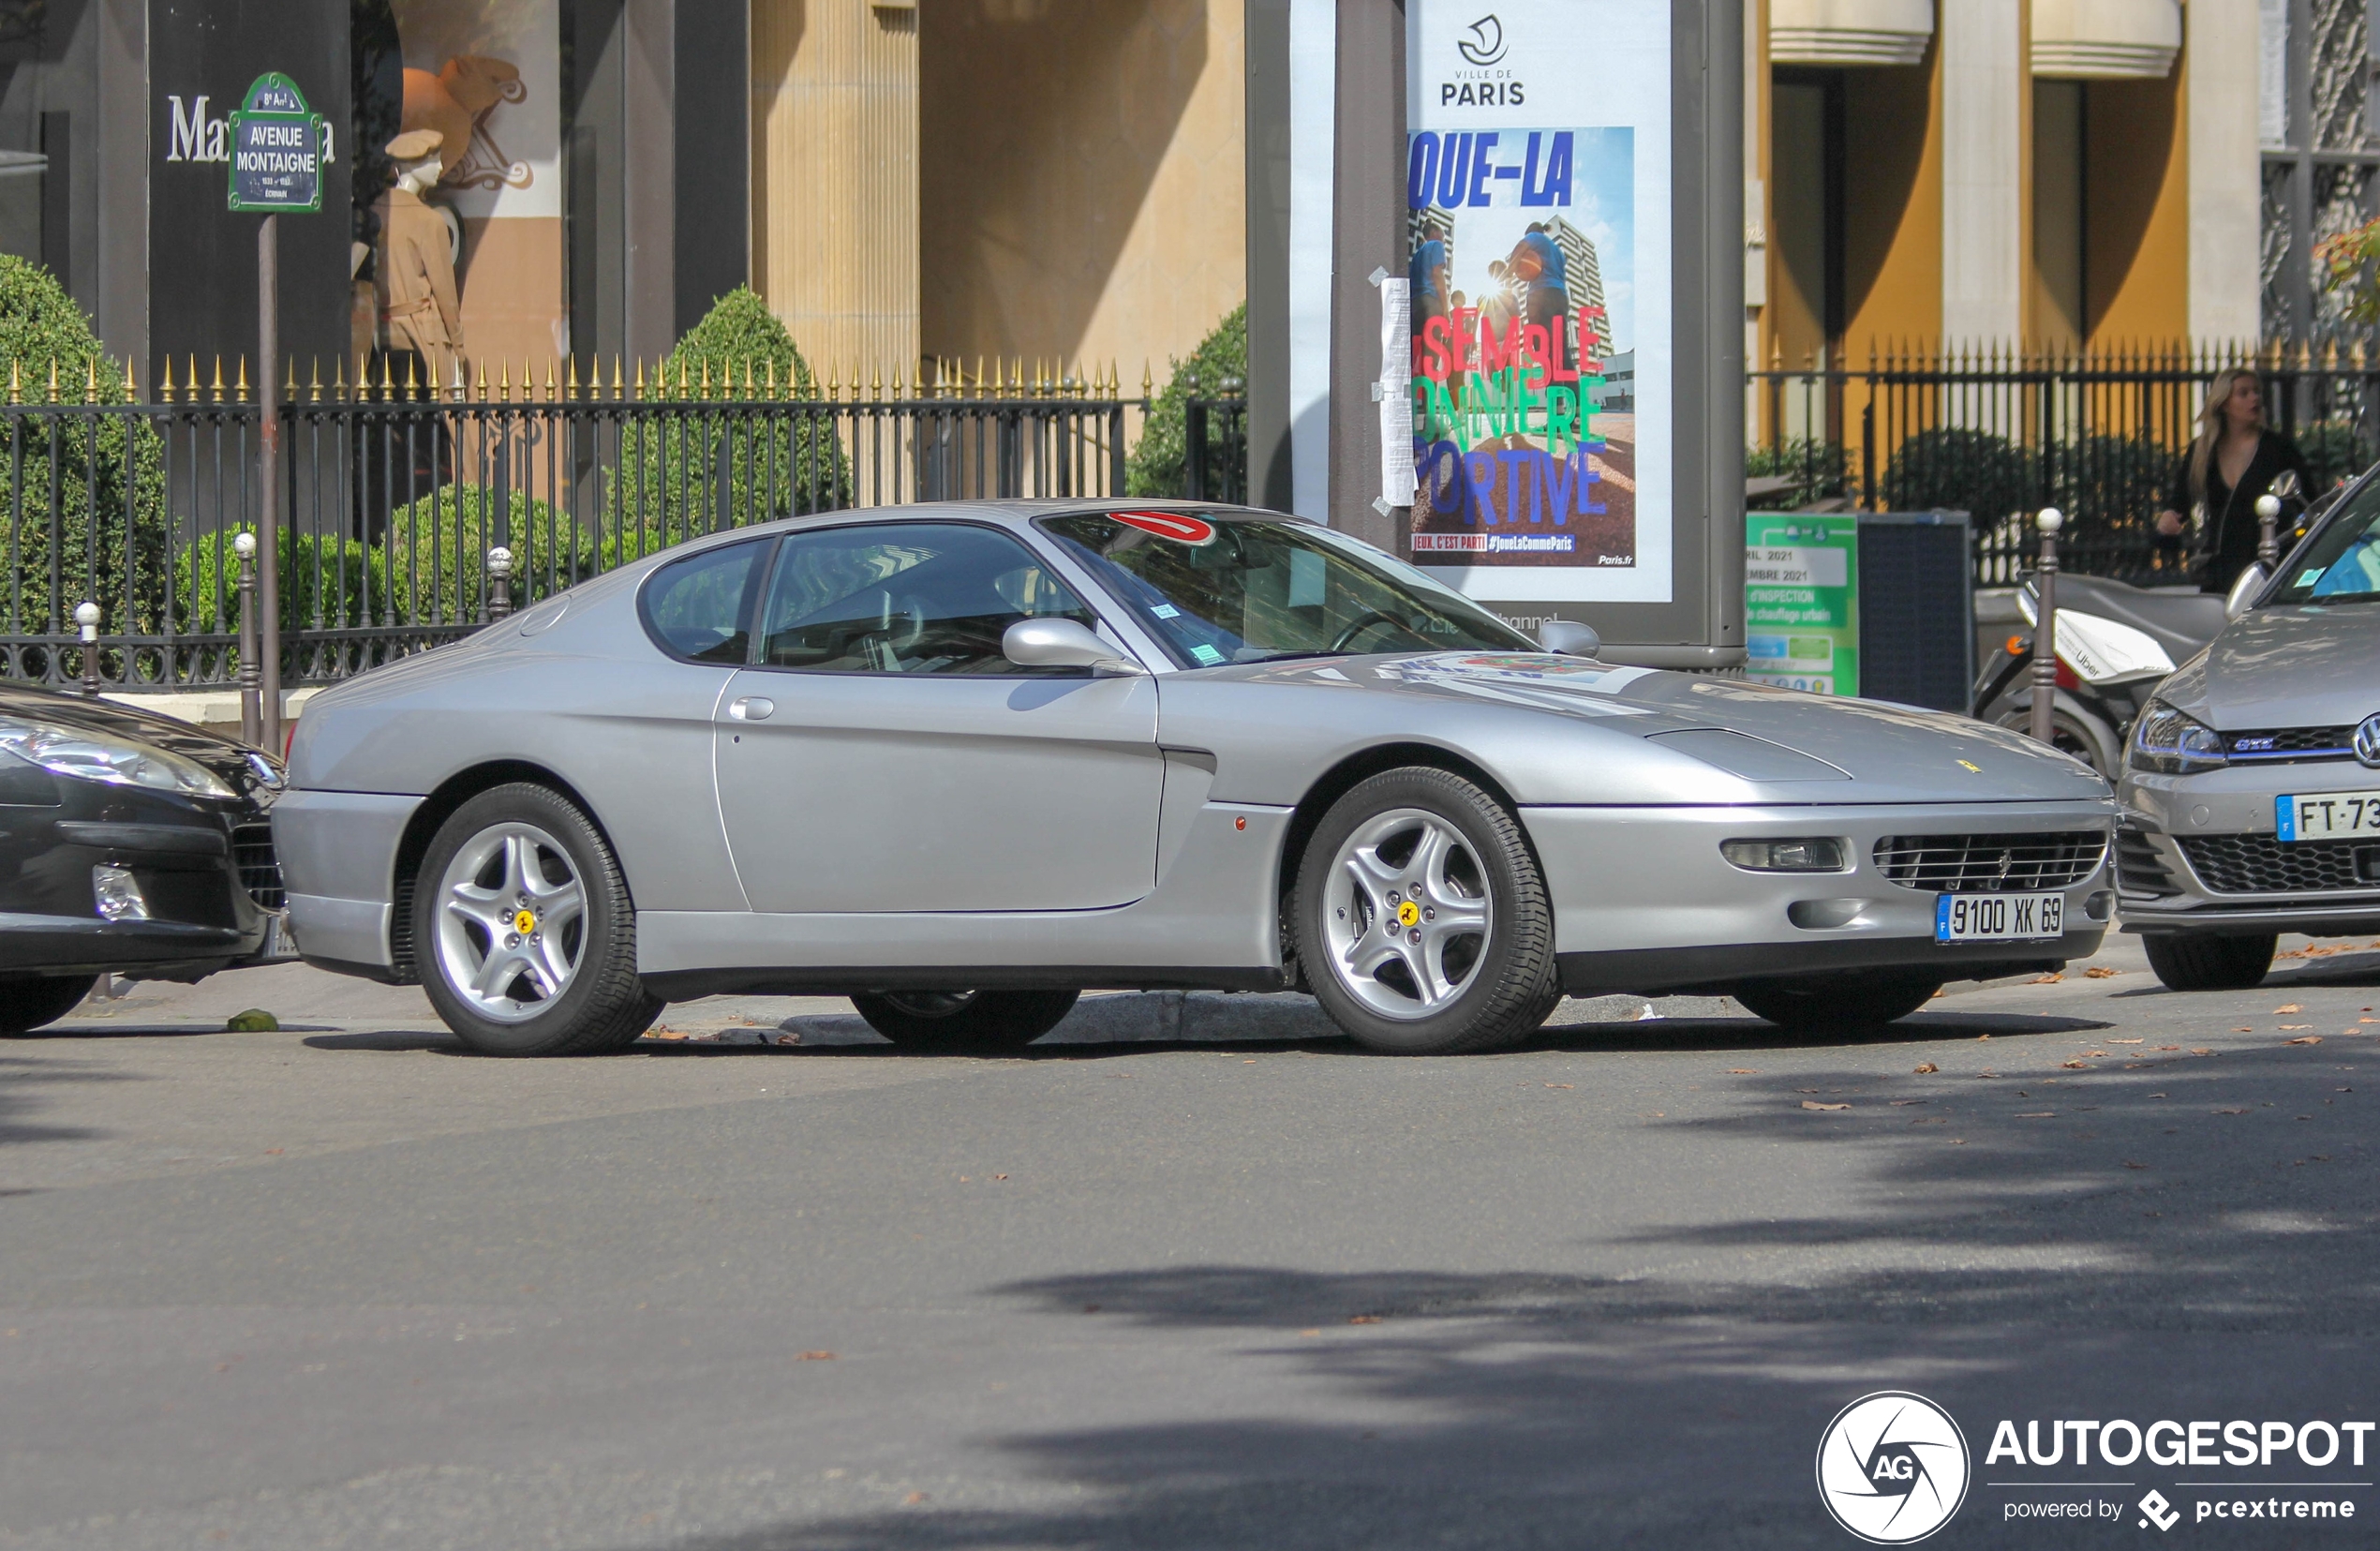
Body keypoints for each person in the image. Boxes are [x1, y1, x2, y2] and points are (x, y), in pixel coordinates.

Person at [2156, 368, 2313, 594]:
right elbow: (2180, 505)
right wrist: (2168, 521)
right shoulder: (2202, 451)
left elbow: (2307, 502)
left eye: (2257, 392)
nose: (2254, 398)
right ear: (2224, 403)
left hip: (2269, 568)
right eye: (2244, 393)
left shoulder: (2278, 449)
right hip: (2221, 570)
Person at [374, 128, 467, 394]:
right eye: (433, 159)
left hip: (380, 332)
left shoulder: (373, 211)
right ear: (413, 164)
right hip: (421, 335)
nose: (440, 166)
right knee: (445, 418)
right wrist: (458, 346)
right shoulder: (428, 221)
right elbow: (445, 291)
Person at [1506, 222, 1572, 367]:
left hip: (1541, 295)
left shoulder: (1534, 236)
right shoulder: (1558, 251)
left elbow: (1520, 247)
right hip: (1560, 297)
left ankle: (1554, 387)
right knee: (1561, 348)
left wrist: (1509, 272)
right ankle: (1571, 390)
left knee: (1544, 347)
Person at [1410, 217, 1450, 328]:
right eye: (1443, 236)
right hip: (1431, 301)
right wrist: (1445, 307)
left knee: (1417, 343)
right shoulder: (1437, 245)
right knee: (1433, 343)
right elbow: (1437, 274)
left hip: (1415, 303)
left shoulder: (1417, 254)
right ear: (1434, 232)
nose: (1444, 241)